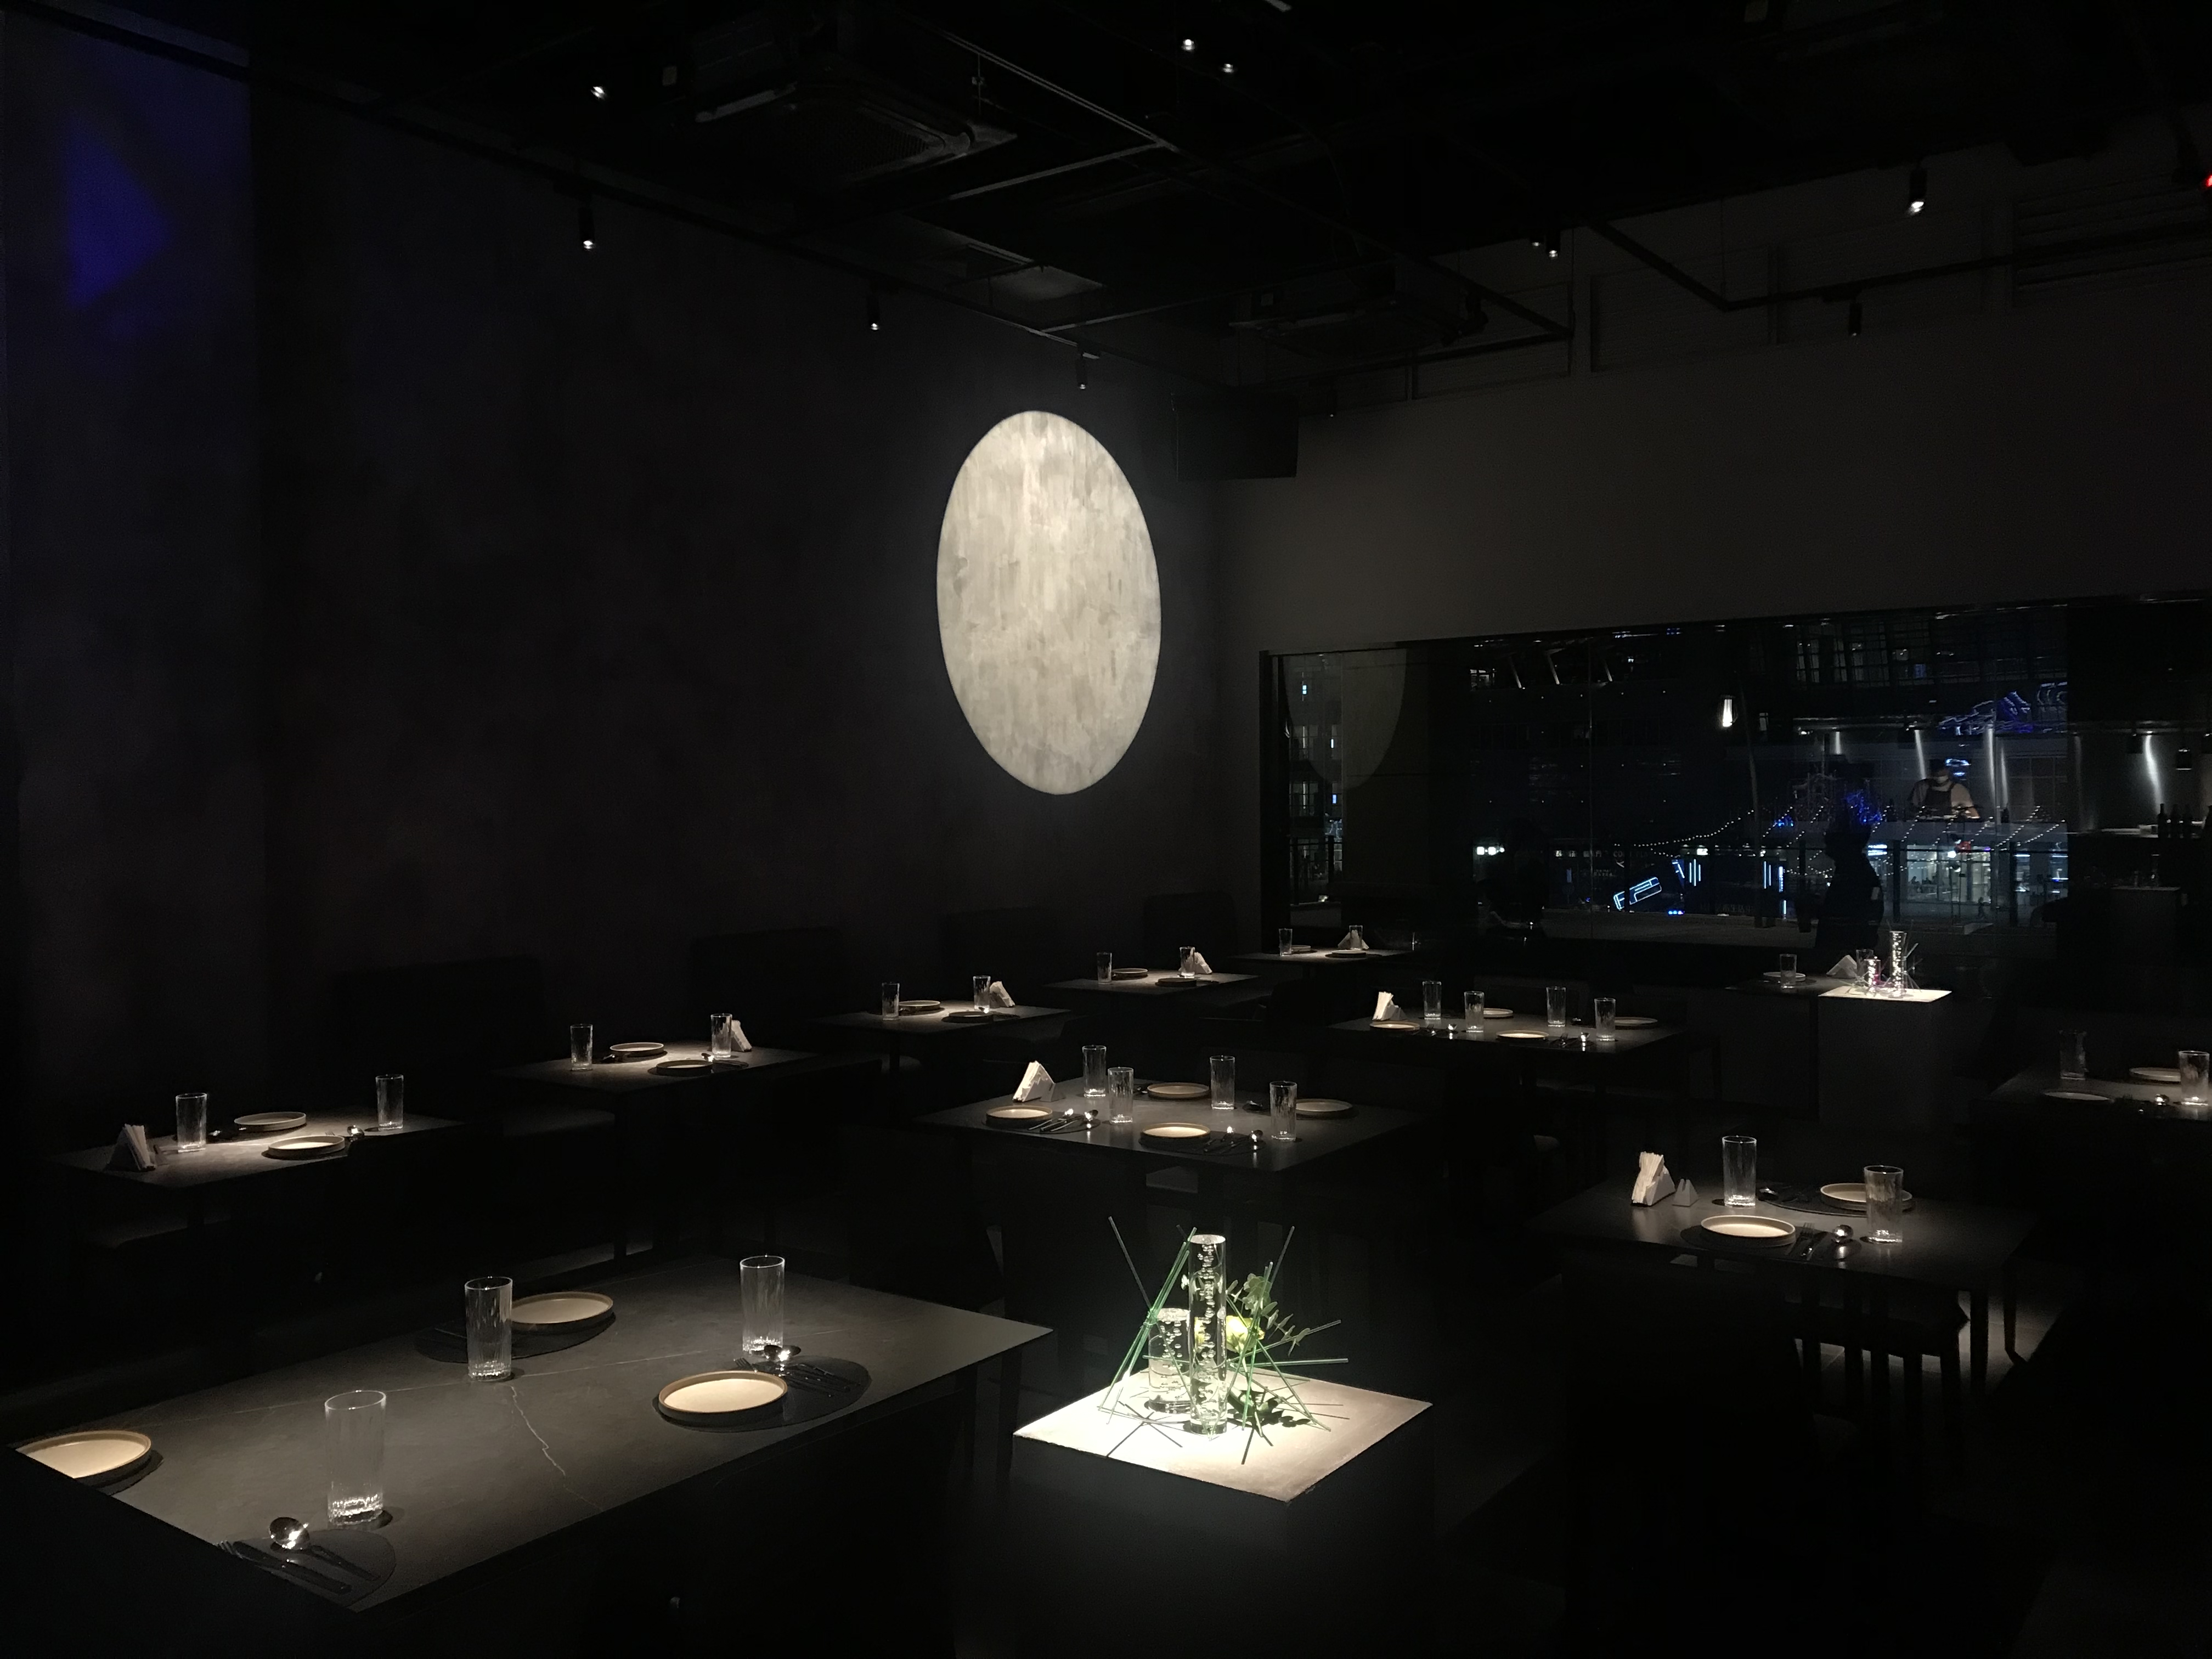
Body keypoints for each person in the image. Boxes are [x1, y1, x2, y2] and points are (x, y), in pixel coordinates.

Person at [1814, 817, 1883, 960]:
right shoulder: (1857, 870)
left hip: (1842, 951)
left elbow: (1844, 913)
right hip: (1846, 949)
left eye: (1831, 839)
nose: (1826, 847)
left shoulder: (1853, 873)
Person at [1909, 759, 1979, 820]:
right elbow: (1912, 809)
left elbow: (1971, 811)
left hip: (1950, 826)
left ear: (1947, 770)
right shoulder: (1921, 787)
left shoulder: (1959, 789)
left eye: (1941, 771)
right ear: (1930, 772)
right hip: (1927, 825)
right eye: (1936, 772)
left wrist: (1975, 820)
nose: (1938, 775)